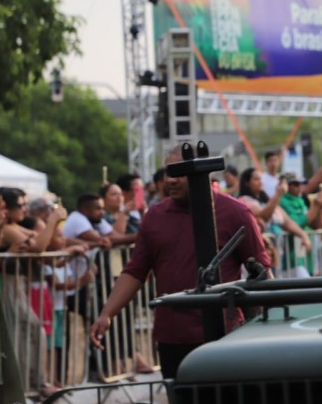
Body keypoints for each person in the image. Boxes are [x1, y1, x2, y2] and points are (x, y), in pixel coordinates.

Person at [89, 147, 271, 379]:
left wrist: (274, 327)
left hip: (224, 335)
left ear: (203, 171)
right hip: (172, 338)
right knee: (179, 399)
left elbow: (262, 272)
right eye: (168, 172)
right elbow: (135, 271)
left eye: (179, 173)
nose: (171, 180)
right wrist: (107, 313)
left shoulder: (235, 212)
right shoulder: (155, 217)